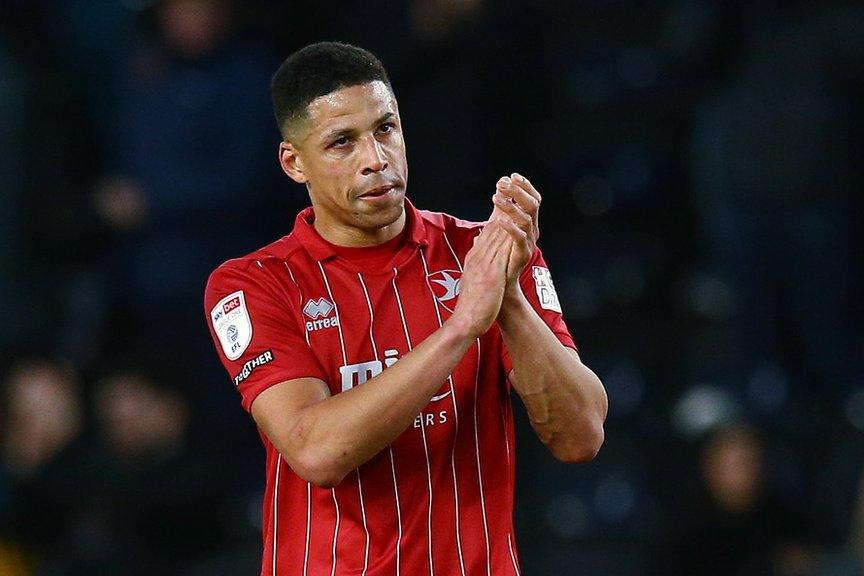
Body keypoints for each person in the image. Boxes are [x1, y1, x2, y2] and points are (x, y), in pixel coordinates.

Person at [204, 42, 607, 575]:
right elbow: (316, 451)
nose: (375, 158)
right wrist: (461, 327)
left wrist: (506, 299)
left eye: (386, 129)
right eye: (342, 142)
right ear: (293, 162)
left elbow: (581, 436)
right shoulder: (253, 285)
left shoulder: (486, 254)